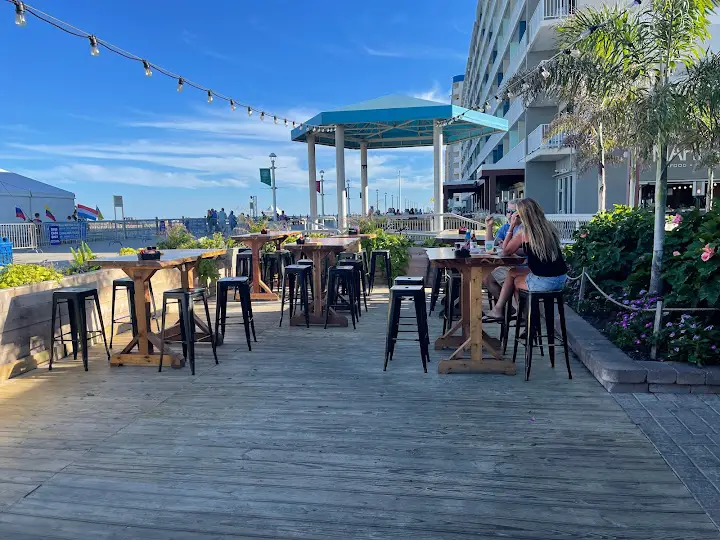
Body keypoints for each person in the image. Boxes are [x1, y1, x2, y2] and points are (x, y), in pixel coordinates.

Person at [483, 198, 567, 321]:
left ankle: (525, 320)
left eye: (516, 213)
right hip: (560, 278)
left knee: (516, 281)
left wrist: (511, 226)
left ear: (522, 214)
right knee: (512, 272)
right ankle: (510, 313)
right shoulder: (549, 227)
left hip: (544, 280)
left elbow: (506, 251)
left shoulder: (524, 231)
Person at [483, 200, 523, 302]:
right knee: (485, 277)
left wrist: (509, 248)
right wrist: (489, 227)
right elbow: (489, 246)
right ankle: (506, 310)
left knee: (488, 278)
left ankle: (505, 310)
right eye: (507, 210)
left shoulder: (523, 228)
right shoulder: (505, 227)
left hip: (522, 265)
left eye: (512, 211)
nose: (509, 214)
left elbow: (528, 250)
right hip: (508, 264)